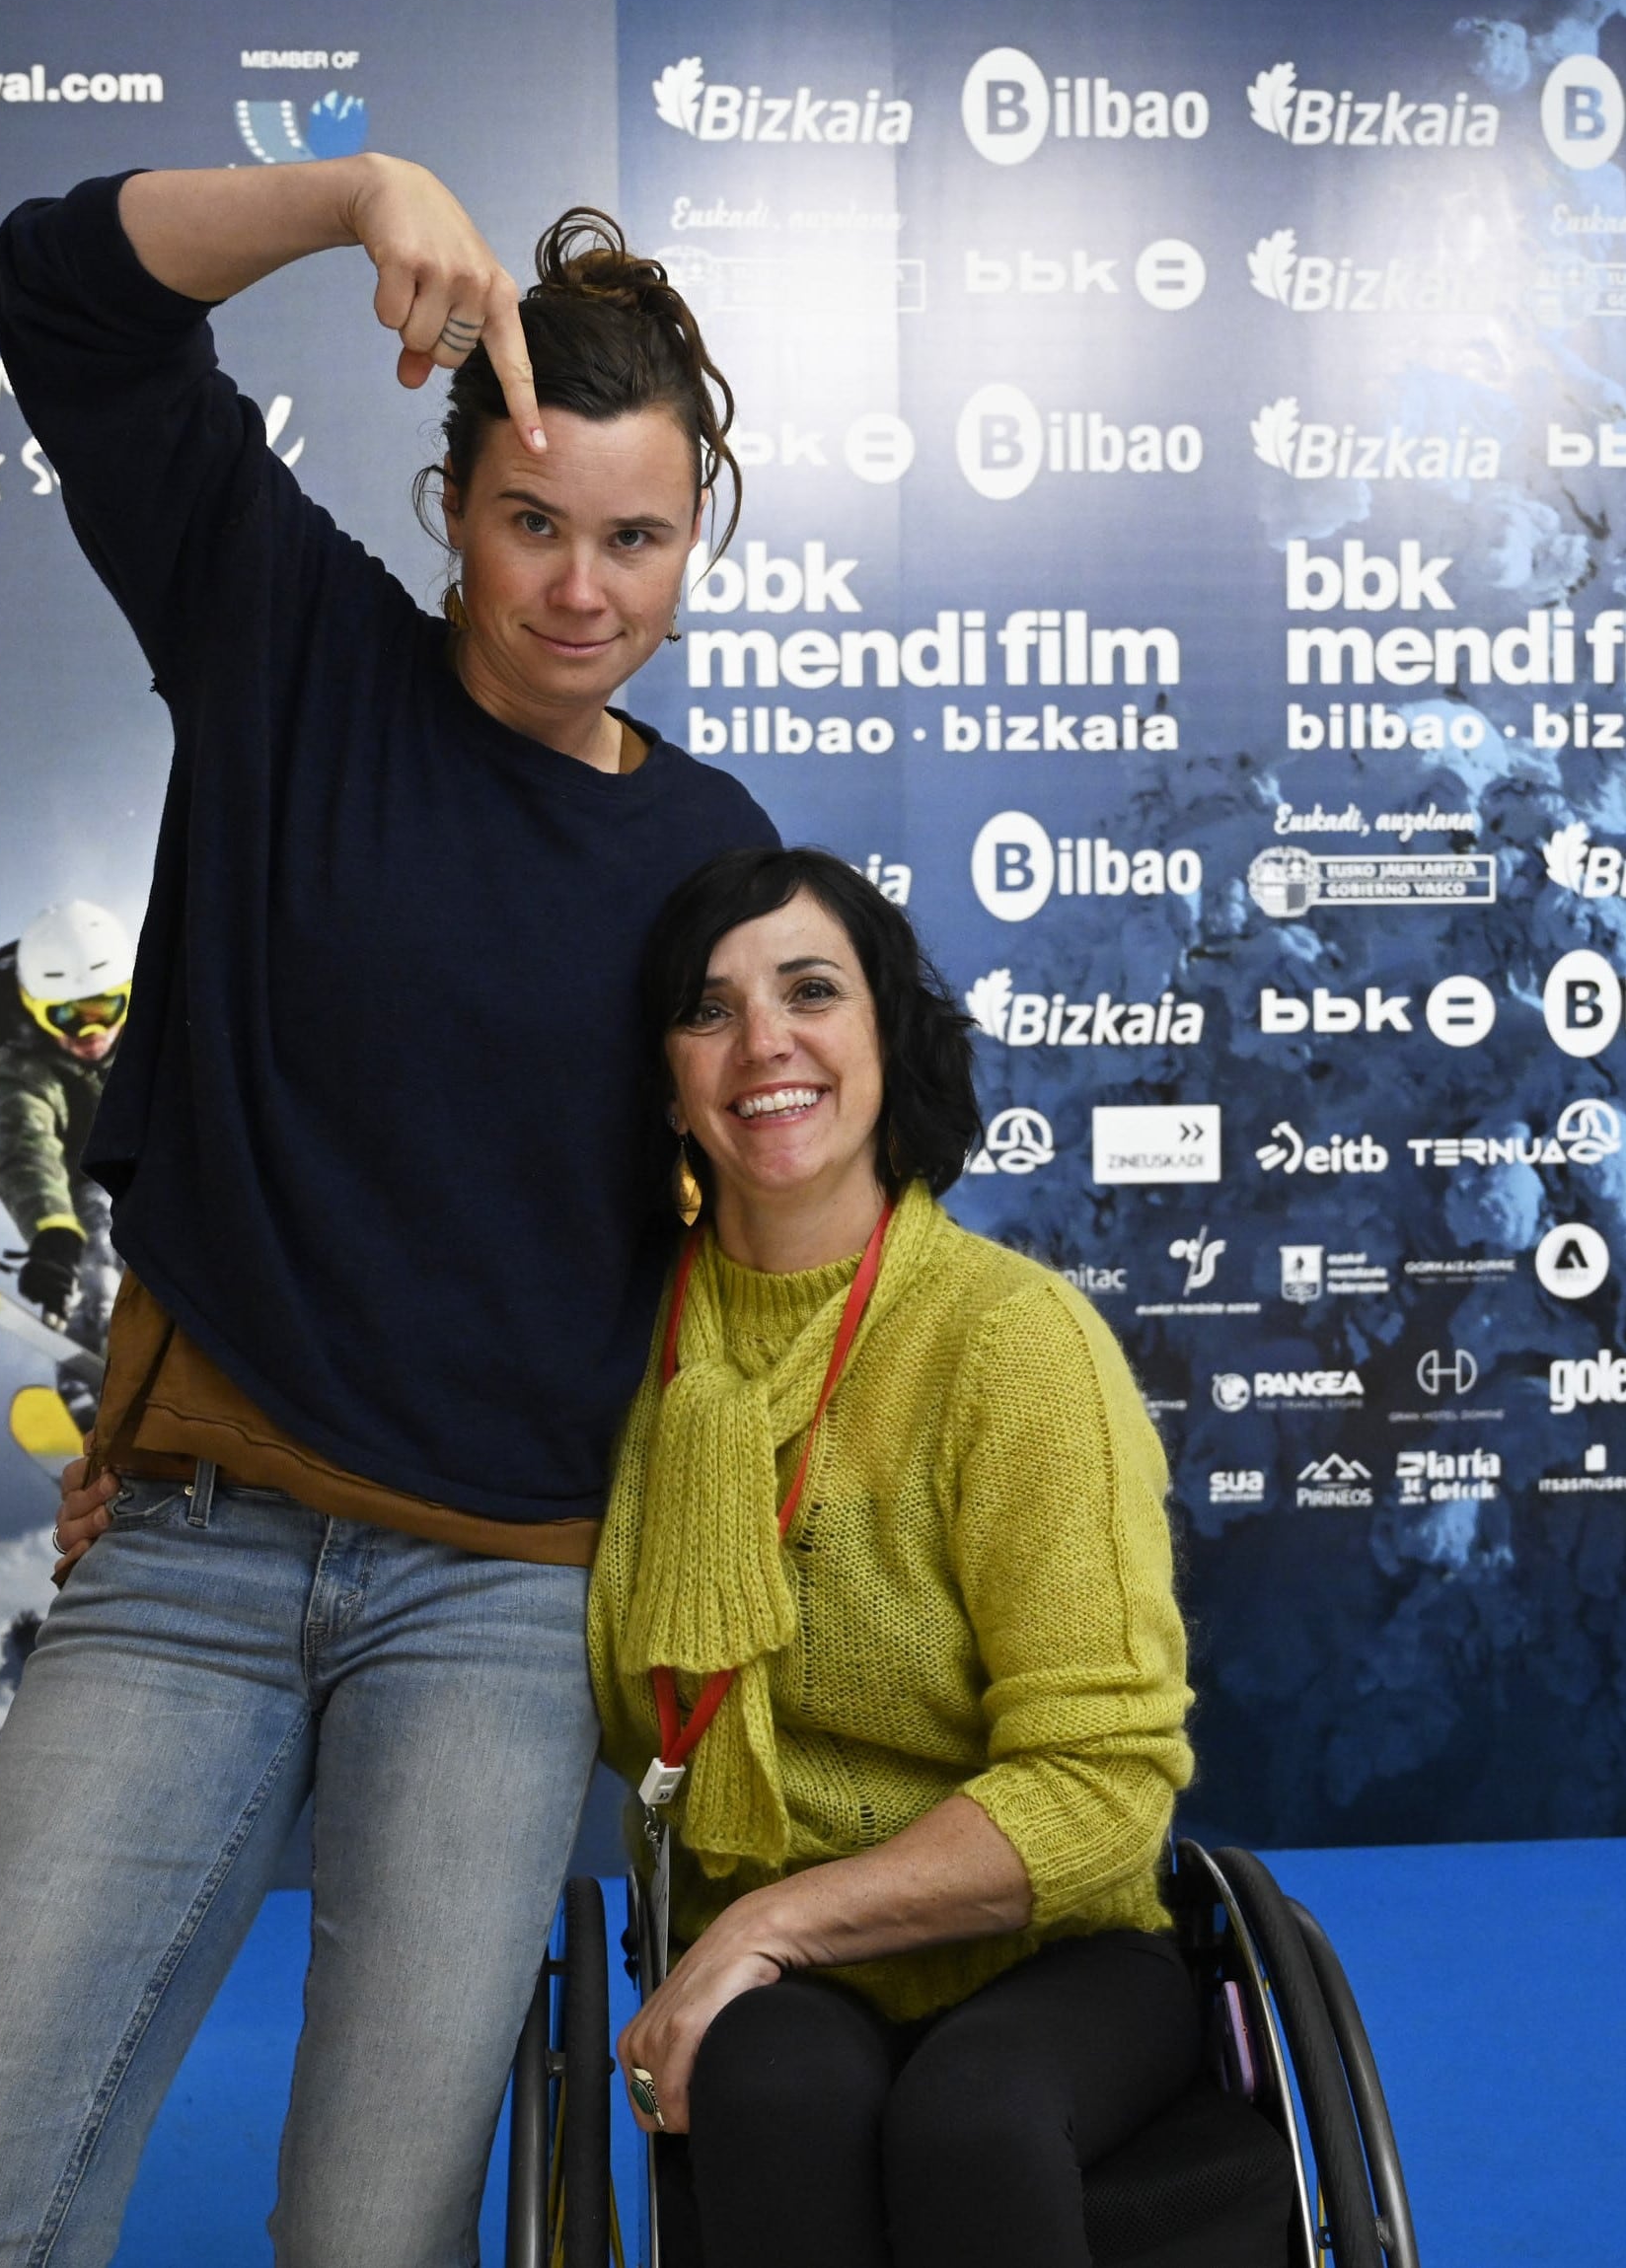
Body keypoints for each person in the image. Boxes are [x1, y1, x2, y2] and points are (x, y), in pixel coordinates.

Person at [0, 150, 775, 2268]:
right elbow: (63, 294)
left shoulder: (721, 864)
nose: (580, 586)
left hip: (501, 1603)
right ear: (451, 513)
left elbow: (780, 1274)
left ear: (692, 541)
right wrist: (355, 189)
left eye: (634, 537)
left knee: (369, 2242)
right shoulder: (286, 642)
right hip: (188, 1548)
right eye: (531, 521)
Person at [595, 845, 1198, 2268]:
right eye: (707, 1007)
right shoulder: (605, 1343)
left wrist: (777, 1924)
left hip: (1054, 1947)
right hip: (779, 1969)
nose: (763, 1042)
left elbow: (1100, 1784)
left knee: (970, 2124)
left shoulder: (1008, 1340)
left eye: (810, 989)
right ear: (665, 1077)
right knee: (767, 2086)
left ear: (886, 1034)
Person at [0, 898, 133, 1416]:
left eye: (103, 1010)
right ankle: (97, 1364)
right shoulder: (26, 1066)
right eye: (65, 1016)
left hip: (169, 1166)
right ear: (36, 1010)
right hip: (88, 1177)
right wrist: (52, 1232)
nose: (89, 1034)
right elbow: (26, 1146)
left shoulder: (168, 1027)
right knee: (98, 1237)